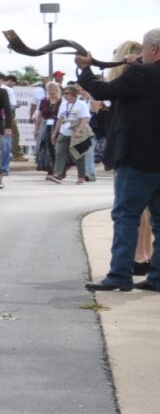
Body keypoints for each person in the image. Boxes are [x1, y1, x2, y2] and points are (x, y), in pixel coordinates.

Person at [77, 31, 160, 294]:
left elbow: (103, 90)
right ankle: (157, 277)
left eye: (145, 50)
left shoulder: (142, 75)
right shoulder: (143, 74)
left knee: (126, 216)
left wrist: (86, 70)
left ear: (154, 49)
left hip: (138, 158)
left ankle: (119, 275)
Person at [51, 81, 94, 183]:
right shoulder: (63, 104)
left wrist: (79, 131)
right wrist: (55, 133)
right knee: (59, 152)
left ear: (73, 94)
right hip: (64, 131)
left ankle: (81, 176)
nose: (64, 95)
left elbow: (85, 119)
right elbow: (60, 119)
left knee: (78, 154)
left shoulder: (81, 104)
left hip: (76, 131)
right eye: (64, 93)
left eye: (67, 93)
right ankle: (57, 174)